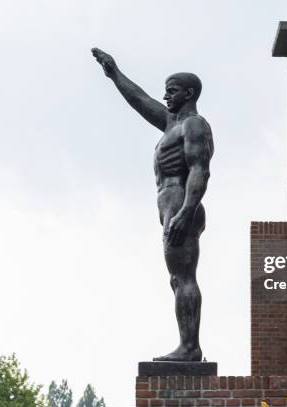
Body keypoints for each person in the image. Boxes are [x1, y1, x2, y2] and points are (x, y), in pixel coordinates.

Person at [92, 48, 214, 362]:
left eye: (172, 92)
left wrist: (185, 212)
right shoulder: (172, 125)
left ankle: (189, 348)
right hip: (173, 207)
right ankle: (188, 346)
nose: (165, 96)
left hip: (181, 207)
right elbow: (142, 100)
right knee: (177, 279)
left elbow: (200, 169)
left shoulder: (194, 126)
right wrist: (114, 74)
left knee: (183, 278)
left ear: (188, 94)